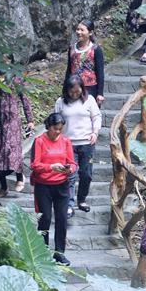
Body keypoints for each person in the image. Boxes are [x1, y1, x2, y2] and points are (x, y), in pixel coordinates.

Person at [0, 56, 35, 198]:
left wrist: (30, 120)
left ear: (11, 61)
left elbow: (24, 98)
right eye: (1, 59)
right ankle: (3, 187)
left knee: (11, 149)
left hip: (12, 119)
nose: (4, 62)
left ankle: (19, 176)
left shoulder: (16, 76)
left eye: (7, 59)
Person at [30, 112, 76, 265]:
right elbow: (34, 165)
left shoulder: (66, 141)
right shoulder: (39, 141)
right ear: (48, 127)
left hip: (62, 186)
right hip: (43, 186)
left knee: (62, 219)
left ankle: (59, 253)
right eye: (55, 129)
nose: (58, 132)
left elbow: (73, 163)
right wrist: (51, 167)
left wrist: (69, 169)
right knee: (45, 219)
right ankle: (43, 252)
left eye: (60, 129)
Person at [54, 75, 101, 214]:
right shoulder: (61, 102)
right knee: (69, 174)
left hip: (87, 142)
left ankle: (82, 199)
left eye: (77, 91)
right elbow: (55, 120)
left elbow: (96, 117)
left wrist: (95, 132)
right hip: (67, 144)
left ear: (82, 88)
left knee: (86, 174)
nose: (74, 94)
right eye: (72, 92)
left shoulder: (89, 100)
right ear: (66, 90)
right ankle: (69, 204)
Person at [62, 20, 104, 106]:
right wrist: (65, 89)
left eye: (82, 30)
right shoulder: (72, 48)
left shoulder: (96, 49)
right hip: (73, 87)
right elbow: (69, 69)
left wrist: (100, 93)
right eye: (77, 29)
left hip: (90, 88)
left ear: (90, 32)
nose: (78, 32)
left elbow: (100, 72)